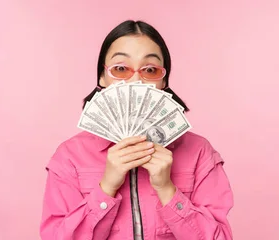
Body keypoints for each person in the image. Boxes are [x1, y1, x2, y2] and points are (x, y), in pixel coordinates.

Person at [39, 20, 233, 240]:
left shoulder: (199, 152)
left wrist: (167, 190)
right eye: (120, 68)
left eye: (150, 69)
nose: (136, 80)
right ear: (101, 78)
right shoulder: (69, 157)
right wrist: (106, 188)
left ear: (164, 81)